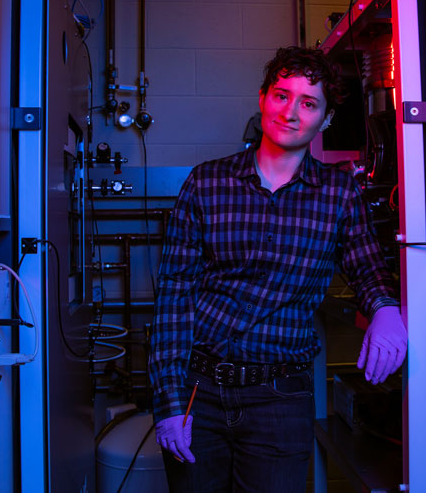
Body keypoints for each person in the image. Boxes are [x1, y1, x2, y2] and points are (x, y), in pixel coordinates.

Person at [149, 46, 407, 492]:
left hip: (280, 398)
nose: (290, 112)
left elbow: (366, 266)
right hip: (198, 391)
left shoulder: (338, 193)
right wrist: (169, 402)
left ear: (325, 119)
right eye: (282, 95)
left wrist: (385, 309)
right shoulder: (206, 183)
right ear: (262, 98)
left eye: (308, 103)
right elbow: (174, 295)